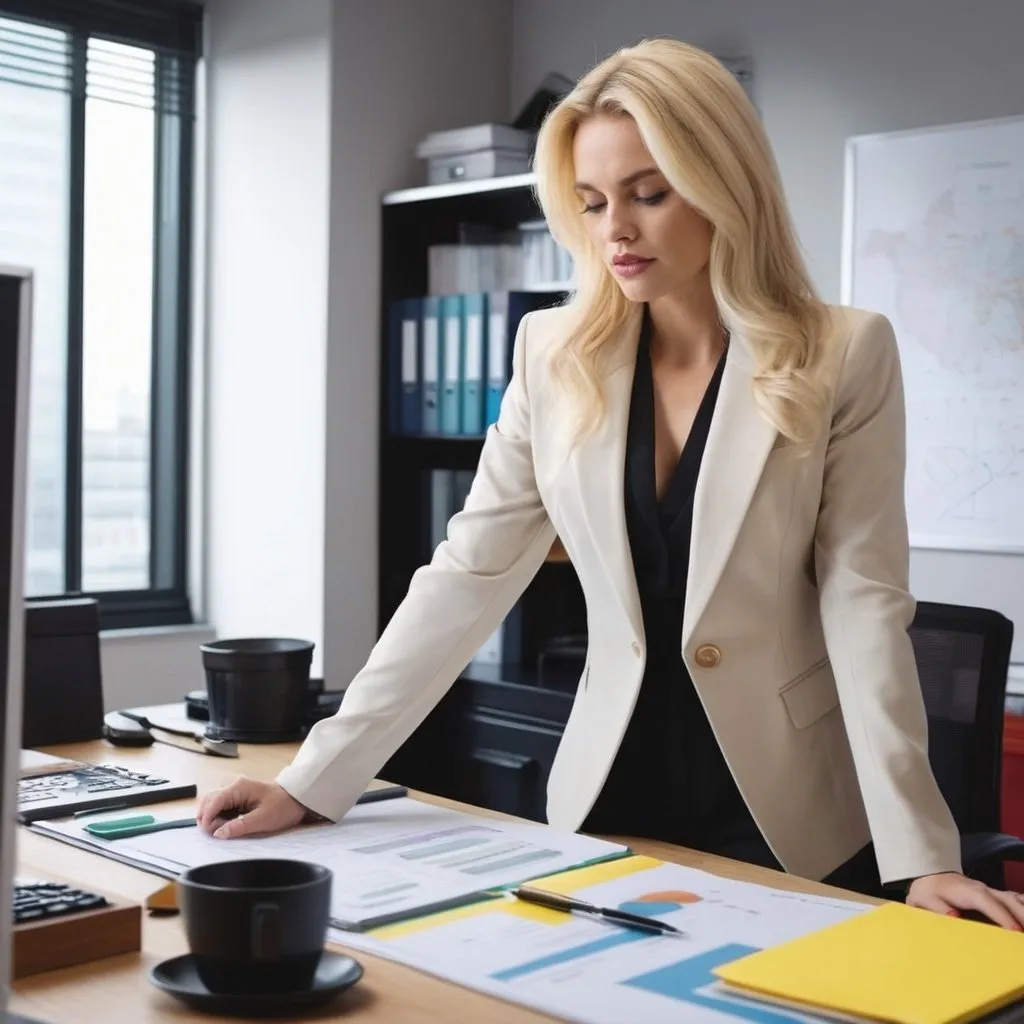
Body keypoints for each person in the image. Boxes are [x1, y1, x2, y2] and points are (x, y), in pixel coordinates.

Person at [197, 38, 1024, 929]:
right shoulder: (551, 356)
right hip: (605, 805)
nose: (615, 230)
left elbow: (864, 606)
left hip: (789, 819)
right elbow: (465, 577)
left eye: (648, 194)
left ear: (723, 183)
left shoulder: (844, 353)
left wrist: (923, 858)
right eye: (592, 203)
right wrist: (317, 781)